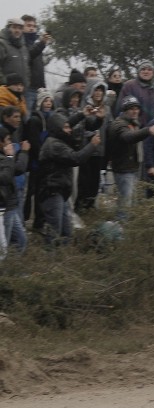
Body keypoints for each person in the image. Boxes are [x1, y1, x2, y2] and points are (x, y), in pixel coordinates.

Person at [38, 113, 101, 245]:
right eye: (66, 127)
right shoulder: (54, 145)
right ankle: (51, 262)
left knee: (67, 232)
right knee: (54, 232)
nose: (69, 130)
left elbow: (67, 125)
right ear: (58, 128)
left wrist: (82, 114)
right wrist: (92, 145)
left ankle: (62, 261)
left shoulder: (58, 140)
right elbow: (76, 158)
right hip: (53, 192)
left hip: (61, 192)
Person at [107, 95, 154, 218]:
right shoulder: (119, 124)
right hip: (123, 170)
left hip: (132, 168)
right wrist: (148, 131)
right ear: (125, 110)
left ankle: (128, 230)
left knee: (131, 204)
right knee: (125, 206)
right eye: (131, 108)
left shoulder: (133, 123)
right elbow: (127, 137)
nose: (135, 111)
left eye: (137, 108)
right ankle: (122, 231)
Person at [76, 79, 111, 212]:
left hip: (100, 149)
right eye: (96, 90)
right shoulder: (86, 107)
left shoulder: (106, 108)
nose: (98, 93)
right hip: (86, 148)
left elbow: (110, 126)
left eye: (101, 90)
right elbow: (84, 126)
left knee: (95, 181)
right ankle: (81, 205)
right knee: (84, 179)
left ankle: (90, 205)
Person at [23, 88, 54, 231]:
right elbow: (34, 142)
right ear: (40, 102)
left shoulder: (51, 119)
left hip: (45, 163)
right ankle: (24, 220)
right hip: (36, 163)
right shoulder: (35, 120)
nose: (48, 103)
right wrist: (43, 156)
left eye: (50, 101)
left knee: (42, 193)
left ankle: (39, 223)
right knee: (30, 193)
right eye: (45, 100)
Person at [0, 126, 29, 256]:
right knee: (3, 248)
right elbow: (7, 176)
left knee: (21, 240)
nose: (10, 143)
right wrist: (11, 156)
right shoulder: (5, 158)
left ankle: (12, 272)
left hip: (11, 205)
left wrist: (21, 153)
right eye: (7, 140)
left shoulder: (4, 158)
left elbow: (17, 169)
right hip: (4, 208)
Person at [21, 15, 52, 113]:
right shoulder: (21, 45)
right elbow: (29, 56)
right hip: (28, 89)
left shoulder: (36, 45)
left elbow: (39, 69)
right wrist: (42, 43)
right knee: (27, 117)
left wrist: (43, 88)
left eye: (34, 26)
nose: (32, 28)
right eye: (29, 25)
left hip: (39, 89)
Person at [116, 60, 154, 127]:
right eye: (143, 69)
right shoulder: (129, 85)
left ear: (153, 73)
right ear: (139, 71)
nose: (146, 71)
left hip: (151, 130)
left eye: (149, 69)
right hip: (132, 129)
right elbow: (120, 109)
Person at [0, 18, 29, 91]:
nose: (17, 30)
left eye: (20, 28)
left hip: (21, 91)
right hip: (5, 91)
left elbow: (27, 69)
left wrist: (26, 83)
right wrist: (5, 83)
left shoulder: (24, 48)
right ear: (8, 28)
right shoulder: (2, 44)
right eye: (14, 27)